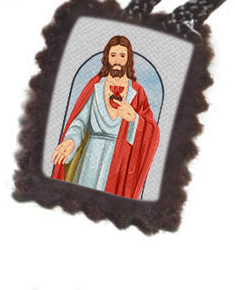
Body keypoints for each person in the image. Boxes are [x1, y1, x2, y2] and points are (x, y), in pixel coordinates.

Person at [51, 35, 160, 200]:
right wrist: (71, 140)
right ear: (107, 57)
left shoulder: (137, 92)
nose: (117, 60)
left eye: (122, 55)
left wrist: (135, 119)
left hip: (118, 161)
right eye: (113, 55)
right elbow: (80, 122)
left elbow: (152, 131)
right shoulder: (95, 86)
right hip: (91, 156)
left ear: (129, 59)